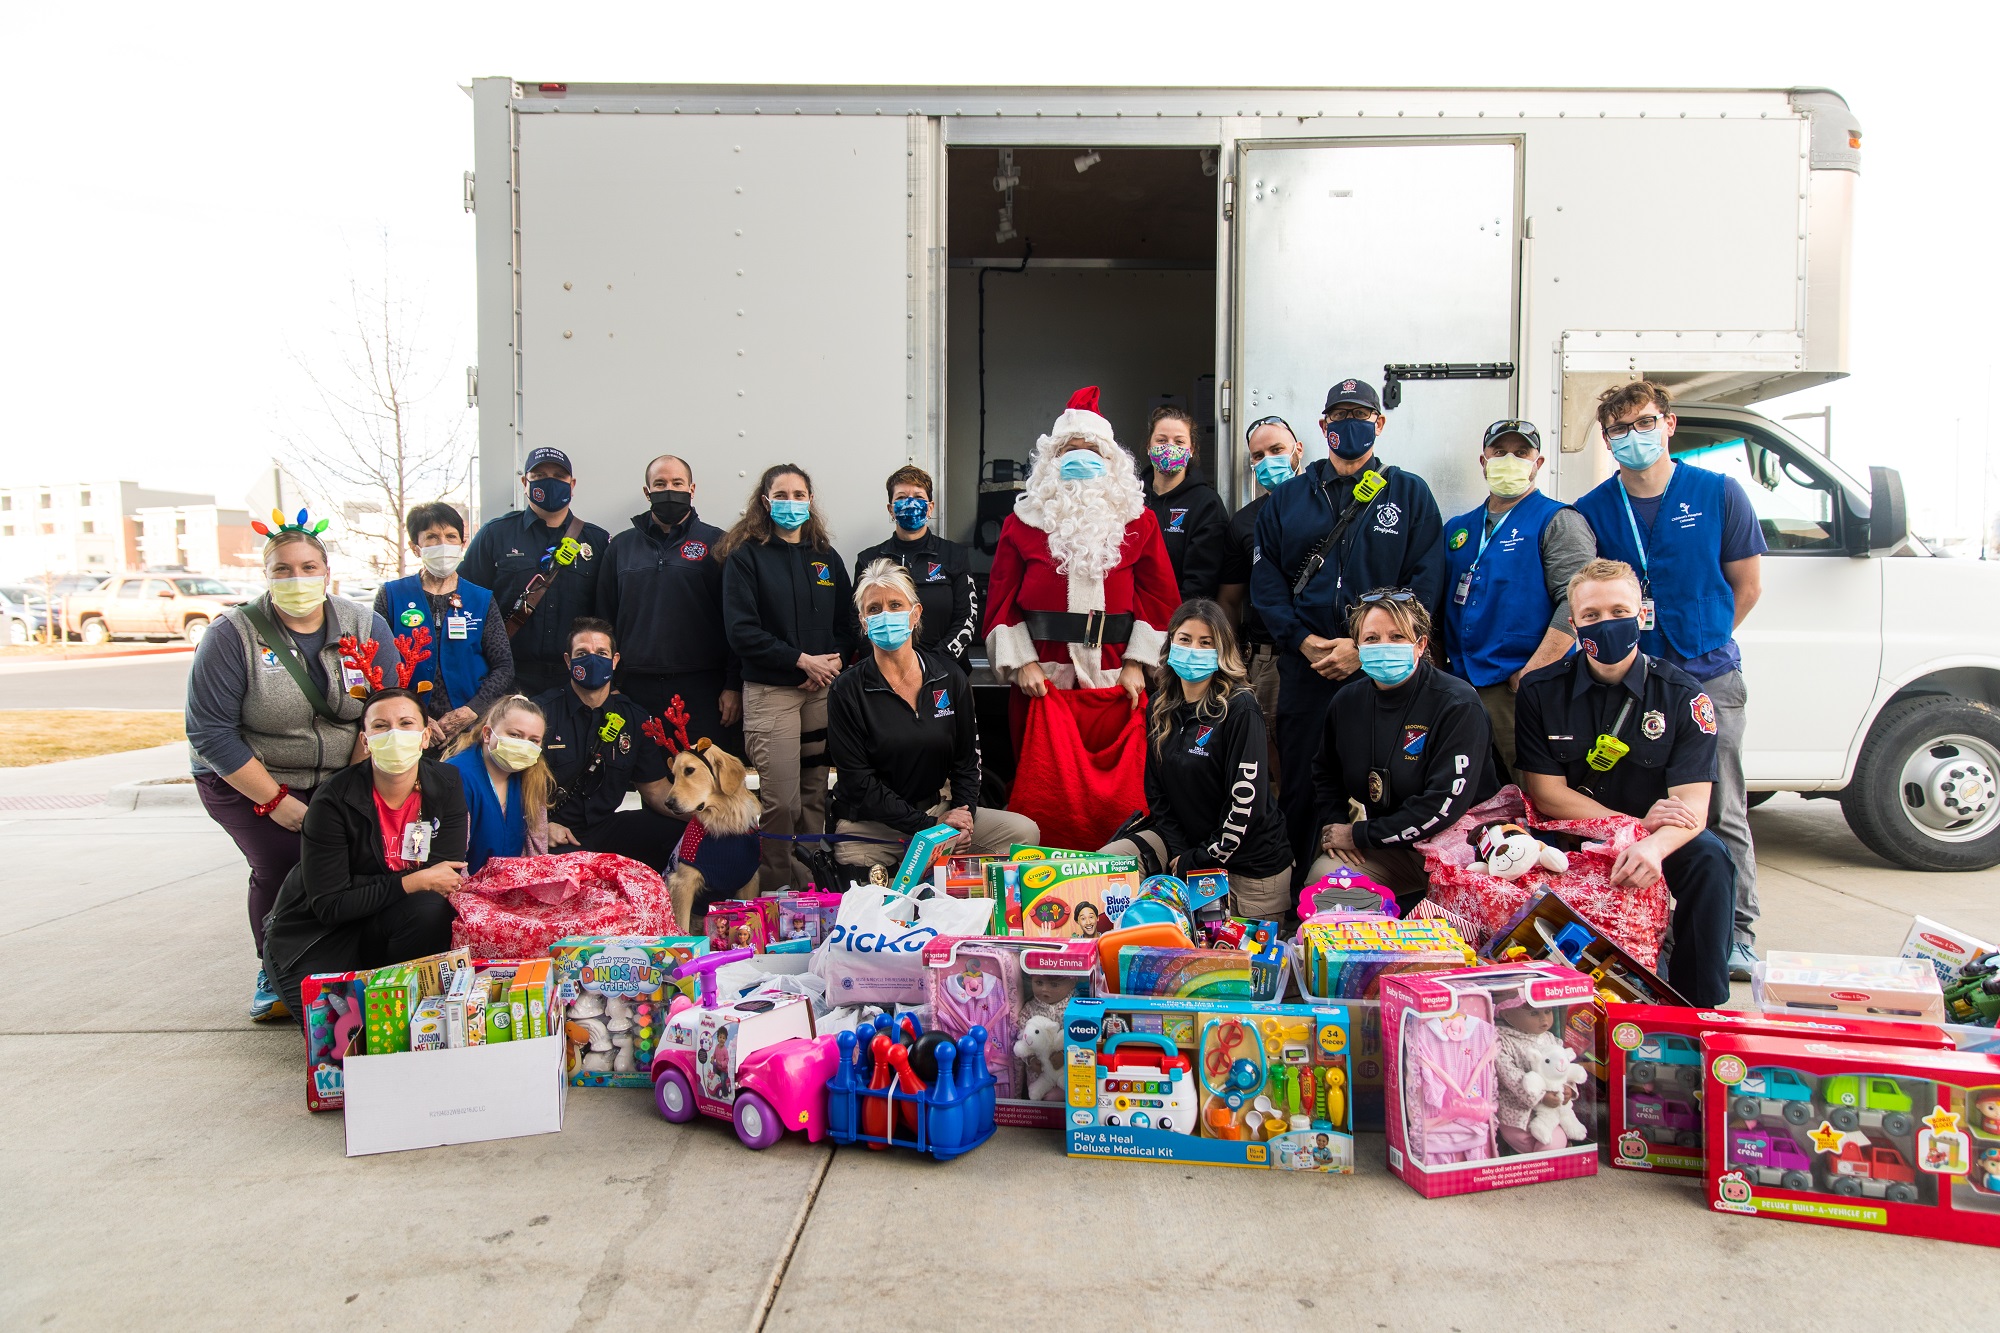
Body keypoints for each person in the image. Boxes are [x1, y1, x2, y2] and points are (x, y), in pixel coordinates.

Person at [1573, 381, 1766, 979]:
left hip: (1707, 674)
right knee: (1638, 803)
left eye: (1644, 423)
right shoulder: (1593, 509)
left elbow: (1747, 585)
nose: (1633, 437)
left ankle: (1737, 933)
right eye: (1619, 430)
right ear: (1607, 441)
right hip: (1634, 681)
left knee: (1720, 807)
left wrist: (1702, 641)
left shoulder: (1718, 493)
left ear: (1669, 423)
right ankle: (1649, 927)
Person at [187, 519, 402, 1022]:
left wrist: (349, 786)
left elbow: (387, 707)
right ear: (265, 575)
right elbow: (210, 732)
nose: (296, 578)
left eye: (308, 567)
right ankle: (274, 967)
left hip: (342, 769)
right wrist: (276, 802)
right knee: (285, 863)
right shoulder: (231, 635)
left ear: (327, 572)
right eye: (282, 569)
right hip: (247, 774)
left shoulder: (363, 625)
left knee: (359, 863)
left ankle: (346, 962)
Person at [1512, 559, 1737, 1006]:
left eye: (1619, 612)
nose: (1606, 623)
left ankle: (1698, 1004)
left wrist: (1651, 844)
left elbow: (1693, 808)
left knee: (1710, 859)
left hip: (1657, 836)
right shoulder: (1540, 691)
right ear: (1574, 625)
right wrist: (1632, 826)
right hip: (1574, 831)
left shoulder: (1684, 695)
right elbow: (1548, 795)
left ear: (1642, 615)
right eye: (1591, 615)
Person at [1252, 376, 1447, 878]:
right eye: (1339, 416)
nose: (1349, 424)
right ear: (1323, 426)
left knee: (1387, 780)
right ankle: (1299, 889)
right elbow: (1266, 583)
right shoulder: (1288, 498)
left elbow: (1425, 582)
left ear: (1378, 424)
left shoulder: (1409, 493)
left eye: (1360, 415)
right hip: (1307, 668)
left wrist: (1365, 648)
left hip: (1383, 672)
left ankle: (1381, 889)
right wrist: (1302, 641)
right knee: (1301, 783)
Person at [259, 688, 469, 1024]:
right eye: (381, 726)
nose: (394, 734)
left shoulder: (446, 783)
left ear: (425, 736)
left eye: (406, 723)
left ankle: (401, 996)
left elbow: (443, 876)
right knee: (342, 1035)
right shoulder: (332, 799)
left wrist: (363, 886)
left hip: (387, 920)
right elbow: (330, 904)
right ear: (365, 740)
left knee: (430, 909)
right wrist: (412, 881)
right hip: (317, 935)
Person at [826, 560, 1040, 868]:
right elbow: (859, 783)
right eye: (874, 609)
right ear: (863, 621)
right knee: (878, 893)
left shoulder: (948, 677)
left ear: (915, 614)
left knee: (1023, 833)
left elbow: (967, 761)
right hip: (873, 826)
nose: (885, 615)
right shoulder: (846, 690)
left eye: (895, 605)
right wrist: (929, 828)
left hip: (937, 813)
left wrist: (964, 816)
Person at [983, 385, 1179, 716]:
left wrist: (1137, 663)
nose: (1081, 457)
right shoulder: (1022, 522)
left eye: (1092, 449)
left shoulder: (1139, 521)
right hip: (1041, 684)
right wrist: (1022, 664)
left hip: (1117, 681)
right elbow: (1001, 603)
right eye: (1071, 449)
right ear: (1052, 461)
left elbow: (1159, 600)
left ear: (1110, 461)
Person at [1099, 600, 1292, 919]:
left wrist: (1197, 859)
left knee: (1217, 947)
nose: (1193, 650)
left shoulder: (1240, 708)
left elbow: (1245, 806)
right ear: (1170, 643)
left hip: (1247, 866)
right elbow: (1157, 794)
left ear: (1222, 651)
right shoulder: (1160, 705)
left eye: (1206, 642)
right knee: (1106, 865)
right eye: (1185, 639)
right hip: (1186, 847)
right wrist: (1181, 853)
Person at [1306, 590, 1497, 910]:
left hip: (1465, 847)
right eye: (1372, 638)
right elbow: (1325, 772)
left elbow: (1442, 805)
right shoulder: (1347, 702)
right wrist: (1336, 824)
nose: (1384, 646)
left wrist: (1360, 834)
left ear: (1421, 644)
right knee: (1326, 887)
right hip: (1394, 847)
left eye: (1397, 637)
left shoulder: (1457, 703)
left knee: (1454, 927)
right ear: (1357, 648)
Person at [720, 464, 862, 891]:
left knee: (815, 794)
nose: (791, 503)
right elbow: (742, 631)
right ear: (765, 502)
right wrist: (801, 662)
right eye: (781, 495)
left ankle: (812, 888)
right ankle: (776, 889)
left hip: (820, 690)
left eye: (799, 495)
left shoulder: (826, 557)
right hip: (773, 692)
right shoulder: (746, 557)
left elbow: (847, 624)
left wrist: (830, 664)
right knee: (781, 801)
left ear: (810, 500)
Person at [1438, 420, 1596, 773]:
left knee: (1530, 785)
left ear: (1537, 463)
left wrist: (1531, 673)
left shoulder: (1558, 520)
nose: (1509, 460)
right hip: (1461, 685)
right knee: (1468, 784)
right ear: (1484, 461)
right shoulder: (1458, 528)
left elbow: (1578, 602)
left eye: (1521, 452)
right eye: (1500, 452)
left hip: (1519, 688)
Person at [598, 454, 742, 754]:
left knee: (702, 775)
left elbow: (736, 620)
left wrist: (733, 685)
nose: (669, 490)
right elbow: (603, 620)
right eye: (660, 484)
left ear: (692, 489)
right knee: (644, 774)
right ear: (647, 491)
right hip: (635, 688)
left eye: (677, 483)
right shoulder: (620, 547)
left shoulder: (719, 544)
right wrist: (609, 683)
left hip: (704, 689)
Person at [461, 446, 610, 697]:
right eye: (539, 476)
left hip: (574, 679)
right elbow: (466, 601)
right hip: (509, 676)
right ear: (525, 483)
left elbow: (607, 613)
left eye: (559, 476)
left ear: (572, 484)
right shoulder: (495, 534)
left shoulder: (597, 541)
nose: (550, 482)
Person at [534, 618, 684, 865]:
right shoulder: (540, 713)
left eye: (601, 653)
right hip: (557, 833)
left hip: (605, 828)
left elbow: (656, 790)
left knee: (681, 834)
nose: (592, 660)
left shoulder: (634, 718)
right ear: (568, 661)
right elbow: (512, 786)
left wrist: (704, 816)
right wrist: (540, 826)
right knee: (575, 872)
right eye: (582, 653)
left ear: (614, 661)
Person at [375, 501, 516, 751]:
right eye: (432, 537)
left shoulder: (481, 599)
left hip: (470, 730)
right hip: (407, 729)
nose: (443, 544)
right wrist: (415, 715)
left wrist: (471, 711)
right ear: (415, 548)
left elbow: (503, 667)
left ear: (462, 544)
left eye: (451, 536)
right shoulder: (391, 596)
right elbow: (378, 665)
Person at [1219, 414, 1306, 740]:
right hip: (1267, 657)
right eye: (1258, 455)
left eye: (1277, 450)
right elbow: (1229, 600)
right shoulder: (1244, 522)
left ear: (1298, 450)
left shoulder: (1327, 505)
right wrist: (1230, 664)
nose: (1268, 461)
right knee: (1269, 748)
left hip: (1322, 654)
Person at [850, 464, 980, 676]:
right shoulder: (869, 560)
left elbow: (967, 617)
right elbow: (858, 621)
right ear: (891, 509)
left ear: (930, 507)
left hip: (946, 672)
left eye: (918, 497)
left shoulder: (954, 555)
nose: (910, 503)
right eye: (902, 497)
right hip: (886, 675)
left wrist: (934, 664)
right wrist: (887, 665)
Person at [444, 694, 554, 873]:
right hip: (461, 882)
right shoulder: (457, 777)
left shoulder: (531, 776)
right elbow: (450, 860)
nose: (524, 745)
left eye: (533, 740)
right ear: (488, 734)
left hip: (511, 881)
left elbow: (535, 852)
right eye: (515, 735)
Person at [1140, 406, 1230, 602]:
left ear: (1191, 450)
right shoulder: (1129, 496)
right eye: (1161, 440)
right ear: (1148, 446)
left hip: (1179, 613)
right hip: (1132, 613)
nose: (1169, 447)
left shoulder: (1206, 503)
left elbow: (1202, 580)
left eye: (1179, 442)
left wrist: (1175, 616)